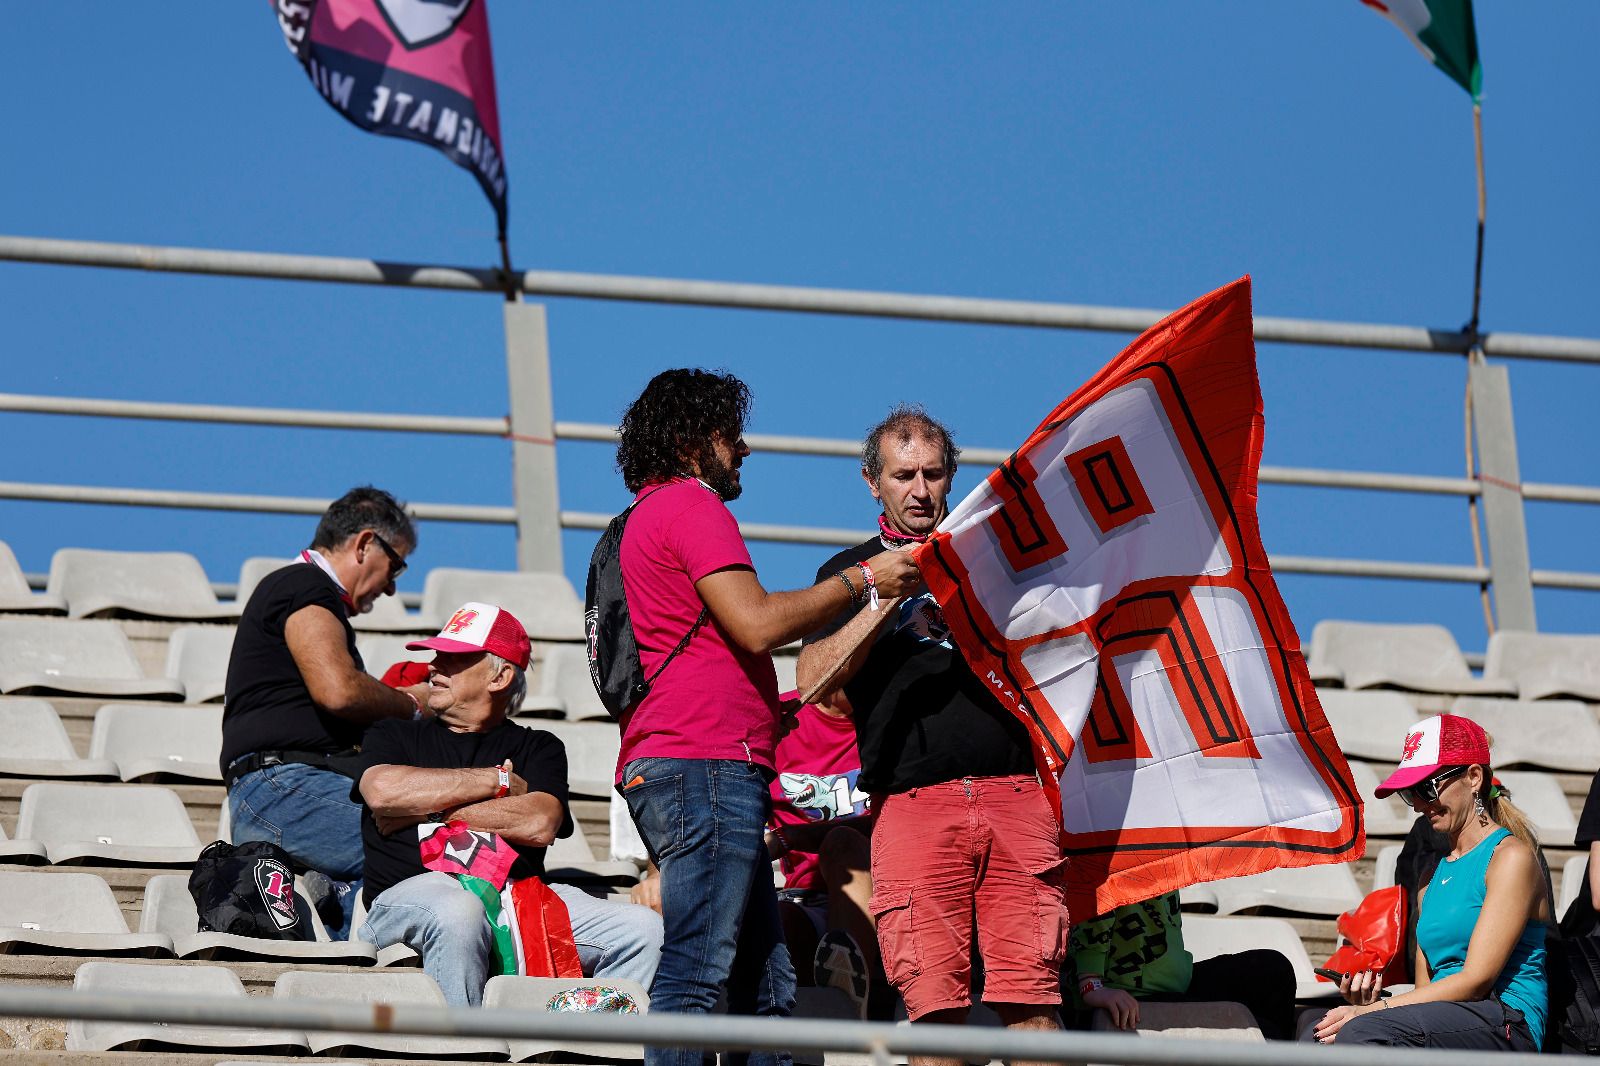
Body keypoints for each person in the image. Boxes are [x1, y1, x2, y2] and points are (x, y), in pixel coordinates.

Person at [612, 368, 920, 1066]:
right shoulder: (691, 506)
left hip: (701, 761)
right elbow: (756, 625)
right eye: (732, 435)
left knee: (768, 983)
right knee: (698, 971)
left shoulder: (650, 512)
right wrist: (866, 581)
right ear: (695, 440)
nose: (744, 449)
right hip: (705, 765)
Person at [796, 404, 1068, 1065]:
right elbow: (810, 679)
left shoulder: (1001, 553)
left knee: (1031, 1000)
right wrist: (888, 595)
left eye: (934, 473)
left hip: (1017, 794)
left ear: (953, 478)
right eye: (903, 475)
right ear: (872, 482)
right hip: (914, 806)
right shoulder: (850, 569)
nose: (921, 490)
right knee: (933, 1008)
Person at [355, 602, 662, 1007]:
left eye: (454, 658)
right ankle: (465, 1052)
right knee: (458, 910)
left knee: (642, 929)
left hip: (517, 898)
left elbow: (539, 822)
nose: (433, 666)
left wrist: (428, 809)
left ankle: (576, 1043)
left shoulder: (538, 747)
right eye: (436, 655)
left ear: (499, 676)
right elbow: (383, 792)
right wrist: (495, 781)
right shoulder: (392, 734)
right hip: (409, 897)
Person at [220, 485, 429, 939]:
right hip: (284, 787)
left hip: (287, 786)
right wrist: (413, 704)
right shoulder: (304, 587)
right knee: (430, 847)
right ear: (364, 544)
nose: (393, 587)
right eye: (396, 566)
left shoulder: (301, 591)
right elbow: (338, 692)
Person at [1309, 713, 1549, 1050]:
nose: (1420, 805)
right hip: (1450, 1017)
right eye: (1411, 793)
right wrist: (1365, 1006)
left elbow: (1476, 980)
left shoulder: (1510, 858)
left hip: (1506, 1019)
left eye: (1427, 787)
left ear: (1474, 777)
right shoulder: (1429, 877)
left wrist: (1373, 1013)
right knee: (1315, 1031)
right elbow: (1425, 994)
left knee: (1361, 1032)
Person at [1065, 891, 1295, 1040]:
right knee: (1265, 1034)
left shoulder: (1163, 846)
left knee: (1272, 969)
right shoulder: (1116, 841)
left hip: (1172, 984)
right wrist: (1091, 982)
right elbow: (1093, 895)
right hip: (1129, 995)